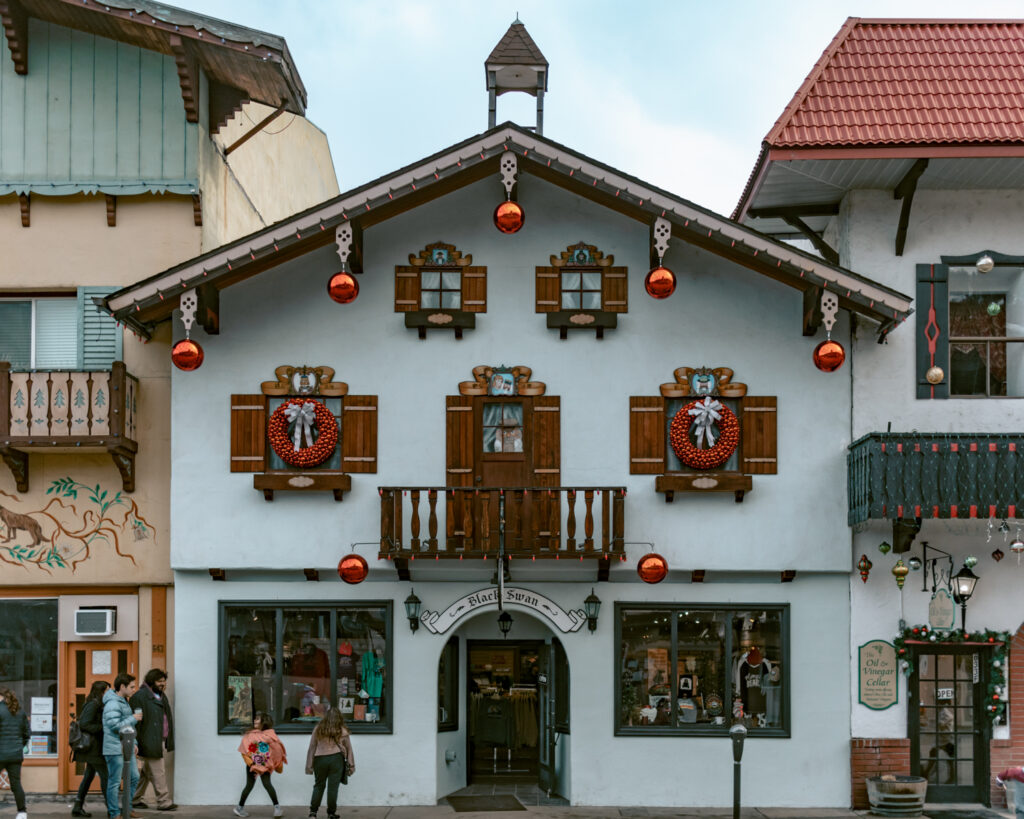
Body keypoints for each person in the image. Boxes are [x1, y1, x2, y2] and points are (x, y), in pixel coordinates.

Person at [130, 669, 176, 812]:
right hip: (148, 740)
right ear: (151, 682)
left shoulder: (160, 696)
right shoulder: (140, 696)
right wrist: (135, 742)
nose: (163, 684)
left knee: (146, 773)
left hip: (157, 739)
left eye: (164, 681)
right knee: (158, 771)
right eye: (159, 681)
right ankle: (164, 801)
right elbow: (135, 721)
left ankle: (134, 799)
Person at [102, 673, 141, 819]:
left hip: (126, 745)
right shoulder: (113, 703)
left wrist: (134, 743)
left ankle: (127, 808)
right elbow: (114, 726)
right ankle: (114, 813)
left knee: (134, 777)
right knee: (115, 782)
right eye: (131, 686)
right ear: (122, 687)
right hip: (114, 748)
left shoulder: (123, 701)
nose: (134, 689)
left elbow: (126, 727)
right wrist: (133, 718)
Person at [304, 708, 355, 819]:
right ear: (339, 717)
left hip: (320, 759)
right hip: (336, 759)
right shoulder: (342, 730)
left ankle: (313, 812)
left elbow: (312, 747)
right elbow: (349, 749)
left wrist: (309, 766)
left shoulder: (318, 729)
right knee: (333, 788)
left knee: (318, 785)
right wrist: (351, 765)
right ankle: (331, 813)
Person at [234, 712, 286, 818]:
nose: (254, 721)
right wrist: (252, 763)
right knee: (252, 786)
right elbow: (244, 751)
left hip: (265, 765)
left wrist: (277, 763)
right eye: (255, 719)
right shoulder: (250, 735)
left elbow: (277, 750)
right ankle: (277, 808)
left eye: (257, 719)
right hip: (253, 765)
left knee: (266, 785)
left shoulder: (270, 736)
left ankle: (276, 808)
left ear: (264, 722)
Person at [72, 680, 111, 818]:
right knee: (106, 776)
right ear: (100, 692)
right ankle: (112, 809)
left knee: (88, 776)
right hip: (93, 749)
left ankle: (77, 806)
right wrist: (103, 728)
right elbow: (84, 724)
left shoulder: (98, 704)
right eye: (107, 690)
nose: (109, 693)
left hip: (94, 748)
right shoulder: (93, 704)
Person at [0, 687, 29, 819]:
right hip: (16, 754)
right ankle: (22, 812)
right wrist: (18, 746)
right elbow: (26, 734)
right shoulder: (20, 712)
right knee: (16, 784)